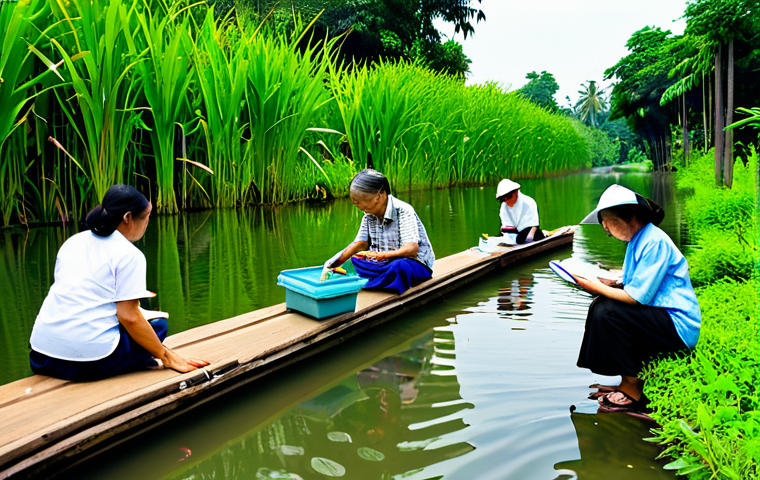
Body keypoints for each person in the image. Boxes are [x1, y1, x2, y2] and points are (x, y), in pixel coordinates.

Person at [29, 185, 207, 381]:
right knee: (158, 325)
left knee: (138, 321)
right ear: (128, 217)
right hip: (88, 364)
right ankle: (134, 361)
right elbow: (128, 317)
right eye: (146, 216)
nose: (148, 222)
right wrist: (167, 356)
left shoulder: (72, 242)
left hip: (41, 357)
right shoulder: (130, 255)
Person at [575, 184, 701, 412]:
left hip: (678, 326)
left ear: (629, 217)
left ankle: (632, 387)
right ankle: (625, 378)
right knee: (601, 306)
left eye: (608, 221)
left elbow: (636, 298)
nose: (604, 228)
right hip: (660, 316)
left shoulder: (654, 241)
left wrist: (593, 286)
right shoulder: (638, 240)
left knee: (608, 311)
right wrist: (611, 283)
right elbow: (635, 282)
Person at [323, 169, 435, 294]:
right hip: (384, 264)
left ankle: (369, 282)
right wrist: (332, 263)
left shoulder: (403, 210)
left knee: (399, 267)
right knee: (356, 260)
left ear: (380, 194)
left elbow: (411, 249)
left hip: (413, 264)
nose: (356, 203)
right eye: (355, 200)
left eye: (362, 198)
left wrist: (383, 255)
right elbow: (359, 244)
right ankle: (375, 281)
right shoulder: (368, 216)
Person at [496, 179, 545, 244]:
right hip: (514, 234)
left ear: (515, 192)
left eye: (508, 196)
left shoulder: (529, 203)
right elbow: (506, 226)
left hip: (530, 232)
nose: (506, 201)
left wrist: (528, 241)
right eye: (503, 199)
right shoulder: (504, 207)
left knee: (525, 236)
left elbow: (534, 225)